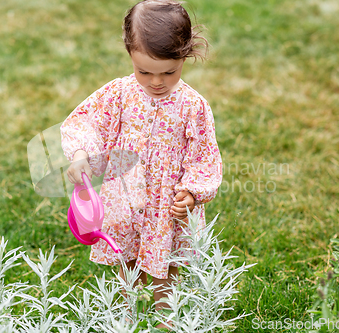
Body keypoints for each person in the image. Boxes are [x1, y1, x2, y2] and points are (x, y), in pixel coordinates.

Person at [60, 0, 222, 329]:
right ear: (129, 54)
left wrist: (191, 193)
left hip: (167, 205)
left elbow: (204, 155)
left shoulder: (193, 106)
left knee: (166, 269)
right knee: (128, 260)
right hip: (126, 199)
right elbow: (86, 123)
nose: (156, 82)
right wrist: (80, 155)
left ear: (185, 56)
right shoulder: (119, 94)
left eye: (169, 72)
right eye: (144, 71)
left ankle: (166, 319)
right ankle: (126, 316)